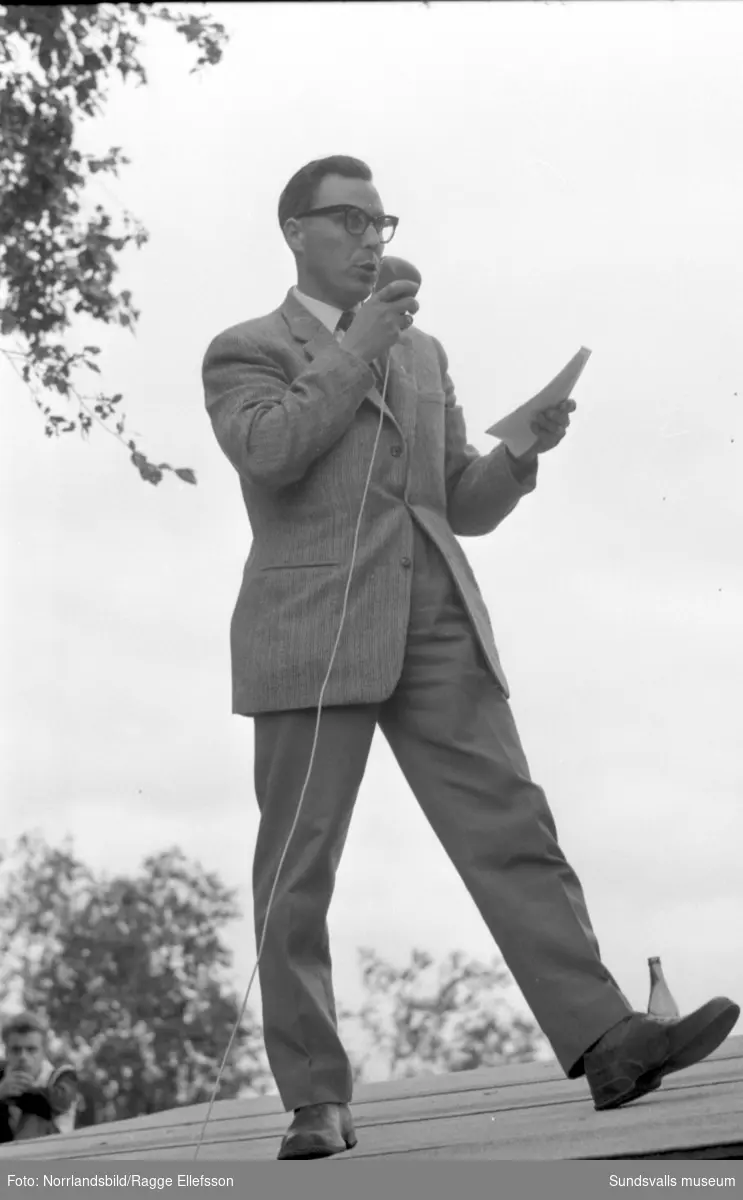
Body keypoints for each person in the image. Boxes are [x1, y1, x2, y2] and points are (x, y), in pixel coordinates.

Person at [202, 155, 739, 1160]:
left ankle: (608, 1039)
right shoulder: (244, 350)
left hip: (436, 617)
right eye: (350, 221)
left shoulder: (425, 354)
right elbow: (270, 451)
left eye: (381, 222)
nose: (372, 238)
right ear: (295, 233)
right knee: (298, 871)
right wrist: (359, 345)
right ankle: (315, 1098)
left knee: (513, 829)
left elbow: (460, 502)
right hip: (311, 634)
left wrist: (520, 454)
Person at [0, 1012, 79, 1143]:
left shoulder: (62, 1076)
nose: (23, 1057)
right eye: (16, 1050)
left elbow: (55, 1104)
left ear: (44, 1051)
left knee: (34, 1118)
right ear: (6, 1052)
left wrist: (13, 1093)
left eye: (31, 1050)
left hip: (51, 1155)